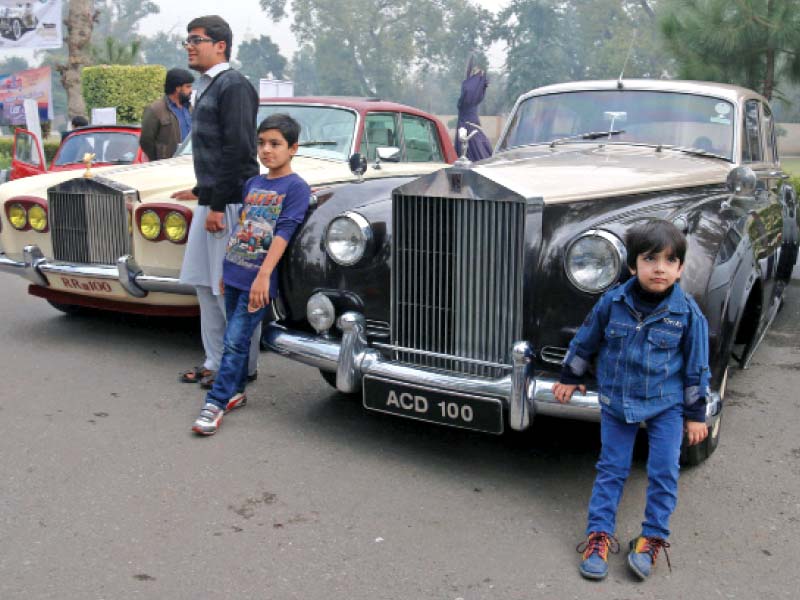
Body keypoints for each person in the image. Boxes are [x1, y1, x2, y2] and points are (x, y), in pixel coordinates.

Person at [552, 219, 710, 581]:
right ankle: (599, 535)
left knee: (664, 471)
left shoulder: (688, 314)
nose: (659, 268)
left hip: (666, 403)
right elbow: (588, 339)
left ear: (680, 268)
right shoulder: (613, 301)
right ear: (632, 265)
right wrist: (570, 376)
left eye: (670, 261)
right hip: (617, 401)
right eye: (650, 259)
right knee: (612, 468)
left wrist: (696, 414)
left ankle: (652, 537)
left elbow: (697, 368)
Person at [192, 114, 311, 435]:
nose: (266, 150)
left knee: (233, 341)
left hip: (258, 280)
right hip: (234, 271)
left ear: (293, 148)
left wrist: (263, 277)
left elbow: (284, 234)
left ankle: (215, 402)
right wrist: (224, 269)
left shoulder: (296, 188)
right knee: (237, 338)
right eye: (261, 143)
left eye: (275, 144)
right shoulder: (253, 183)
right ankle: (236, 391)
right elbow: (242, 228)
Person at [171, 15, 261, 390]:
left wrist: (220, 205)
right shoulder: (206, 87)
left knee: (232, 288)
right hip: (211, 202)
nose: (190, 46)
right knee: (205, 287)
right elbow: (210, 150)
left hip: (231, 205)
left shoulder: (234, 85)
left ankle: (242, 367)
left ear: (220, 45)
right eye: (187, 40)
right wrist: (201, 191)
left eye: (197, 39)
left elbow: (239, 150)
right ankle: (214, 361)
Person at [140, 67, 195, 161]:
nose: (191, 90)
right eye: (188, 86)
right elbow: (146, 141)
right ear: (178, 88)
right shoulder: (155, 109)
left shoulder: (190, 108)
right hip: (166, 166)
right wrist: (158, 159)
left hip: (189, 163)